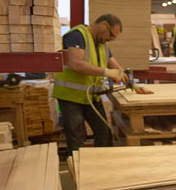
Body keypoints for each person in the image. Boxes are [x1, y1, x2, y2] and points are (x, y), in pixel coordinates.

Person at [52, 13, 127, 153]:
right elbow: (75, 64)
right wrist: (106, 72)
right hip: (71, 96)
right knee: (76, 139)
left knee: (104, 133)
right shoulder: (77, 35)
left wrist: (131, 82)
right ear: (103, 25)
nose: (110, 39)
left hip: (91, 96)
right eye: (111, 35)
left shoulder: (103, 42)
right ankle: (78, 166)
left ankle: (100, 163)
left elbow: (115, 65)